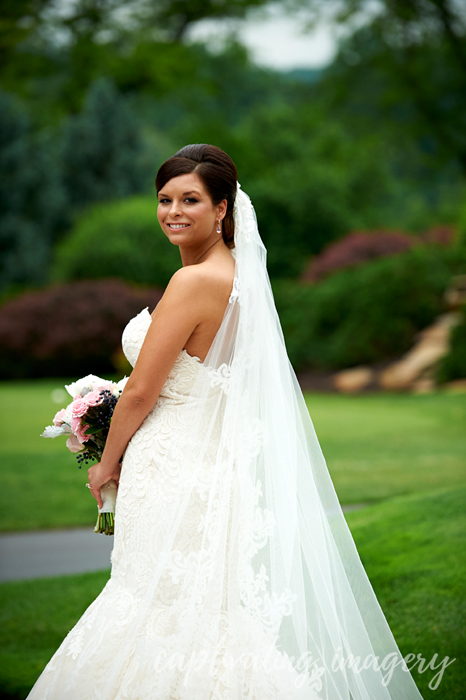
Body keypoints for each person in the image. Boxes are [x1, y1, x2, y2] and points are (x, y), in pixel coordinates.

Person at [27, 144, 425, 699]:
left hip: (169, 469)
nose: (173, 211)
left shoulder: (192, 283)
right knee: (199, 611)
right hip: (213, 468)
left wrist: (106, 463)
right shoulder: (240, 282)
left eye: (191, 199)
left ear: (222, 210)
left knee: (154, 605)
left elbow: (142, 392)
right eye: (164, 199)